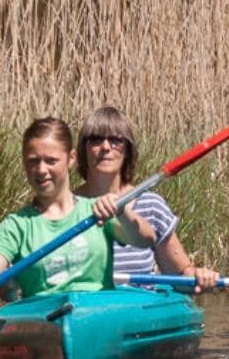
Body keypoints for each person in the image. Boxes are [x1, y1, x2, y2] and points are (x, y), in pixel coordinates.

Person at [0, 116, 159, 335]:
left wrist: (123, 211)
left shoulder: (95, 211)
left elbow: (145, 238)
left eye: (51, 160)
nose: (41, 170)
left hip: (97, 320)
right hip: (44, 324)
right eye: (33, 161)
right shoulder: (16, 226)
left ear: (70, 159)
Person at [73, 104, 218, 292]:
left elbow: (180, 275)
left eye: (116, 140)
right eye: (96, 140)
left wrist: (200, 277)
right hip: (85, 306)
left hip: (138, 305)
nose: (106, 147)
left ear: (127, 151)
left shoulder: (151, 205)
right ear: (84, 149)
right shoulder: (67, 206)